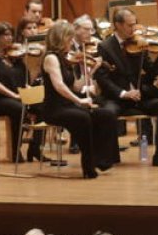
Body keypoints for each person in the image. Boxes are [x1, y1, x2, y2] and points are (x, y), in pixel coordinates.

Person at [95, 8, 158, 165]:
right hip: (117, 99)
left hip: (139, 98)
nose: (134, 28)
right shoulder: (105, 46)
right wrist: (124, 93)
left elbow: (151, 72)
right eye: (130, 25)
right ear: (118, 25)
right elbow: (102, 79)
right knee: (107, 112)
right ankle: (110, 157)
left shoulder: (139, 44)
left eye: (135, 24)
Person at [42, 21, 119, 178]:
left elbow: (76, 86)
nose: (71, 42)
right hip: (54, 108)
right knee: (82, 117)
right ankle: (88, 166)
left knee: (106, 115)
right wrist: (79, 101)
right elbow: (59, 86)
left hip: (67, 105)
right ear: (61, 38)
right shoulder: (51, 58)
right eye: (69, 39)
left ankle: (102, 159)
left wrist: (91, 70)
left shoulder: (65, 59)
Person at [0, 21, 49, 164]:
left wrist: (29, 91)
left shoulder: (15, 57)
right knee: (18, 108)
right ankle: (15, 150)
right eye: (6, 35)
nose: (10, 38)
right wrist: (15, 96)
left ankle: (35, 148)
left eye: (11, 34)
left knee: (43, 106)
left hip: (16, 97)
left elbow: (25, 79)